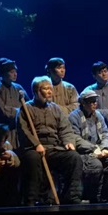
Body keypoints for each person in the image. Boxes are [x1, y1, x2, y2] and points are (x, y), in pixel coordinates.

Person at [15, 75, 83, 206]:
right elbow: (24, 131)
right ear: (36, 91)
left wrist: (69, 142)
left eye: (50, 89)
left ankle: (72, 196)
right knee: (33, 158)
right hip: (34, 148)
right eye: (45, 89)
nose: (49, 92)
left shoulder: (55, 108)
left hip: (54, 148)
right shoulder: (26, 108)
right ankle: (32, 199)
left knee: (74, 157)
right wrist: (36, 144)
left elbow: (65, 128)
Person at [69, 89, 108, 203]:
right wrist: (93, 148)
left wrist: (106, 148)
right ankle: (93, 197)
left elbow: (105, 133)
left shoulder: (98, 115)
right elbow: (76, 138)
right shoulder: (74, 117)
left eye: (95, 101)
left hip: (99, 150)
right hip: (84, 152)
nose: (94, 104)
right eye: (91, 101)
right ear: (83, 103)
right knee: (96, 166)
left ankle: (107, 196)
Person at [0, 57, 29, 150]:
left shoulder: (18, 88)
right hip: (2, 131)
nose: (15, 74)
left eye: (16, 71)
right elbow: (3, 110)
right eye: (12, 72)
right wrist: (21, 112)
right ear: (4, 73)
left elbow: (28, 107)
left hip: (17, 130)